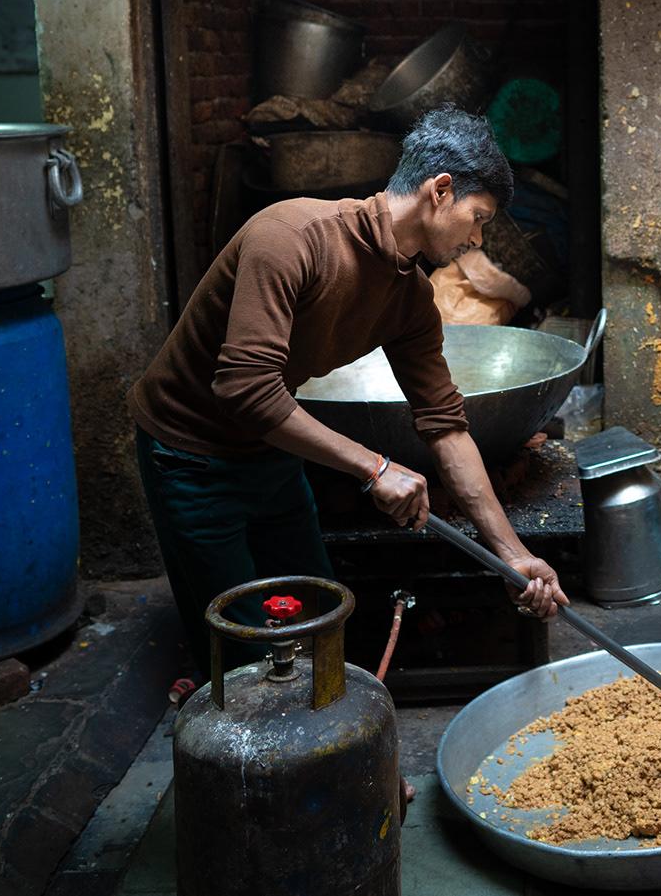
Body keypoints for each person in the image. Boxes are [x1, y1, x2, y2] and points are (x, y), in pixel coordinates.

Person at [127, 108, 569, 718]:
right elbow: (245, 387)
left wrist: (511, 554)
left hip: (272, 450)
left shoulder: (410, 298)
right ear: (440, 190)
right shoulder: (291, 237)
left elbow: (445, 426)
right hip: (190, 452)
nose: (478, 240)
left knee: (319, 623)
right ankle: (261, 768)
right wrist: (374, 467)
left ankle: (327, 759)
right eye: (479, 218)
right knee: (240, 653)